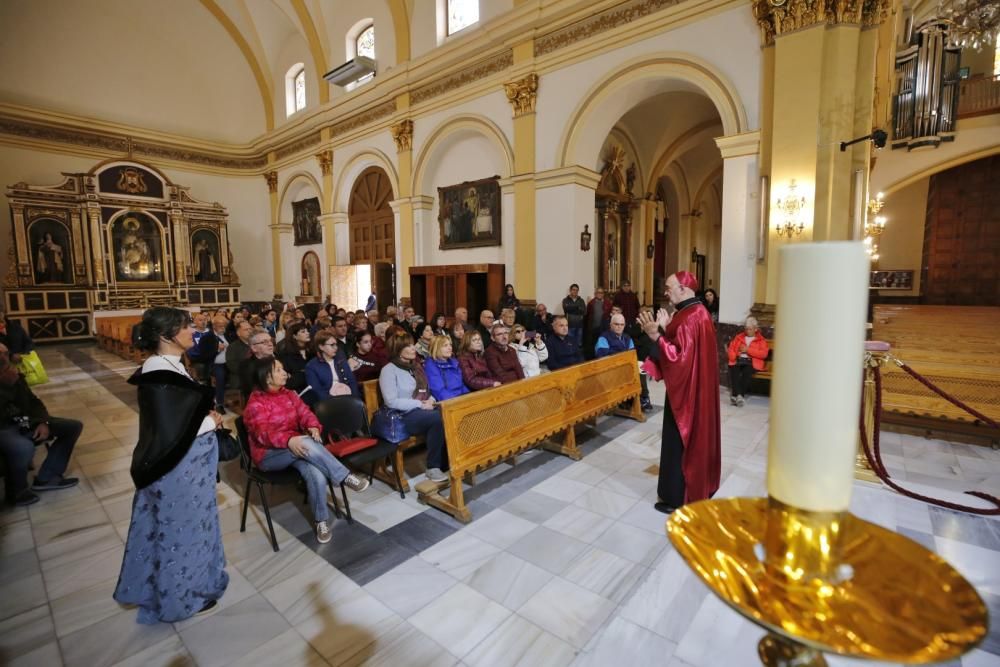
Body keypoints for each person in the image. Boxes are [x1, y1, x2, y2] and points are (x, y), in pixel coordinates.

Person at [114, 307, 228, 623]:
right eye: (186, 326)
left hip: (187, 467)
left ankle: (180, 588)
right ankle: (180, 600)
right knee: (180, 537)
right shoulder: (157, 374)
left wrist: (204, 419)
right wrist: (209, 421)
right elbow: (170, 430)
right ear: (166, 336)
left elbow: (180, 416)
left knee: (180, 531)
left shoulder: (170, 366)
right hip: (176, 470)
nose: (194, 330)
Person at [244, 356, 370, 544]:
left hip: (297, 448)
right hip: (269, 455)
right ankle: (344, 476)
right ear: (267, 377)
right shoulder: (255, 404)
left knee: (316, 474)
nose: (285, 373)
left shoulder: (289, 394)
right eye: (278, 370)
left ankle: (321, 521)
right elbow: (264, 434)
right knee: (305, 442)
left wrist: (313, 427)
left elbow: (306, 414)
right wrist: (289, 440)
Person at [638, 271, 721, 514]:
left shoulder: (691, 316)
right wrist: (665, 330)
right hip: (693, 388)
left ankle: (678, 497)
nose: (665, 292)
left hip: (686, 393)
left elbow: (679, 359)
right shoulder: (694, 312)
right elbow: (682, 349)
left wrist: (655, 335)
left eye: (669, 287)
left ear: (683, 288)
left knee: (680, 442)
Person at [0, 343, 83, 507]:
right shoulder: (8, 378)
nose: (3, 358)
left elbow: (33, 402)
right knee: (23, 447)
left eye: (5, 353)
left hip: (26, 420)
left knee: (72, 426)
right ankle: (17, 492)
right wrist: (6, 386)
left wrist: (42, 421)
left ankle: (47, 477)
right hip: (4, 426)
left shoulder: (13, 374)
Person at [378, 336, 449, 483]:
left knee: (448, 413)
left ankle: (449, 461)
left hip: (420, 410)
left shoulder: (416, 367)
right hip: (401, 415)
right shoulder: (388, 370)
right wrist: (420, 404)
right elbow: (391, 401)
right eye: (408, 346)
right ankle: (433, 467)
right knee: (437, 419)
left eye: (412, 345)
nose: (413, 348)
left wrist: (431, 400)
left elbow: (427, 391)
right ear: (398, 350)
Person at [726, 316, 768, 406]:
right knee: (734, 368)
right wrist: (734, 356)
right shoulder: (739, 337)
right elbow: (731, 349)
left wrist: (748, 350)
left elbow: (764, 354)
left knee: (747, 371)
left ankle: (737, 395)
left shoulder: (761, 340)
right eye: (746, 329)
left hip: (752, 362)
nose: (747, 331)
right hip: (739, 359)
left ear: (756, 329)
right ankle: (738, 396)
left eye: (750, 329)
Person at [305, 330, 360, 399]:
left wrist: (355, 399)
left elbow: (352, 381)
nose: (336, 347)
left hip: (348, 397)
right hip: (329, 402)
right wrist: (334, 402)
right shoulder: (311, 366)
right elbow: (317, 390)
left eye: (336, 344)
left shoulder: (341, 359)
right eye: (332, 345)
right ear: (321, 347)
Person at [197, 315, 230, 412]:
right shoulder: (207, 337)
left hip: (229, 363)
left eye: (224, 326)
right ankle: (219, 403)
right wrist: (217, 350)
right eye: (220, 326)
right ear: (214, 326)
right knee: (220, 376)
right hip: (214, 364)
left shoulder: (227, 335)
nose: (223, 328)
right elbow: (204, 356)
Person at [424, 335, 469, 401]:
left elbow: (462, 385)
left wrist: (468, 396)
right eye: (445, 345)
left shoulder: (454, 362)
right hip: (449, 403)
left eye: (450, 345)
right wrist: (458, 401)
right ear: (436, 348)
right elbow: (439, 391)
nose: (450, 348)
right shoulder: (431, 365)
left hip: (461, 399)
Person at [277, 322, 311, 394]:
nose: (307, 333)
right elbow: (288, 381)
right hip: (298, 392)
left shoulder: (312, 351)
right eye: (303, 332)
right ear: (294, 336)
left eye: (307, 331)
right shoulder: (286, 355)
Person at [584, 287, 612, 360]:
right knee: (593, 344)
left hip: (603, 328)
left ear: (603, 294)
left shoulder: (608, 303)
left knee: (602, 344)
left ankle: (601, 358)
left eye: (601, 293)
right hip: (593, 328)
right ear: (595, 294)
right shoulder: (591, 303)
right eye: (598, 292)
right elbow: (587, 316)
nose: (599, 294)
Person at [562, 283, 586, 348]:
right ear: (570, 290)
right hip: (569, 325)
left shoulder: (581, 300)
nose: (575, 291)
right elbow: (566, 309)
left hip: (579, 325)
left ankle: (578, 357)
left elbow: (583, 311)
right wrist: (577, 307)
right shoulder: (565, 300)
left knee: (579, 344)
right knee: (570, 343)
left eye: (577, 290)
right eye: (573, 289)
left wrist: (572, 308)